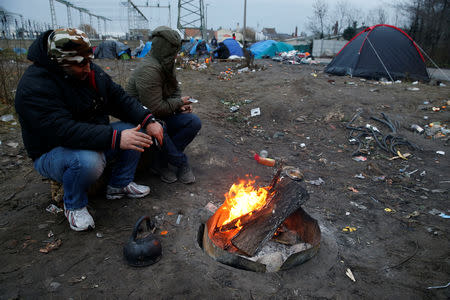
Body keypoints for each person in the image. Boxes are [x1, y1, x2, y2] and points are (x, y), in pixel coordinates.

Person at [15, 28, 163, 232]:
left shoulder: (88, 72)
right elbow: (63, 131)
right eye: (80, 64)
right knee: (88, 161)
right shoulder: (35, 87)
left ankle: (119, 184)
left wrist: (148, 120)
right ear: (60, 63)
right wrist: (114, 138)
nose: (87, 68)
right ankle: (73, 205)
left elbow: (118, 97)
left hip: (89, 137)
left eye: (88, 60)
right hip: (52, 151)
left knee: (136, 130)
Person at [126, 26, 201, 184]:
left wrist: (179, 106)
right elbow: (154, 108)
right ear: (163, 47)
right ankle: (181, 162)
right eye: (172, 49)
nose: (175, 54)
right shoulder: (148, 69)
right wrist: (178, 103)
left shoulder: (166, 63)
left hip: (159, 115)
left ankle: (160, 162)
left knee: (193, 122)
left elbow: (175, 91)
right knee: (160, 126)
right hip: (142, 120)